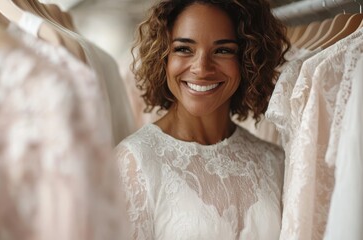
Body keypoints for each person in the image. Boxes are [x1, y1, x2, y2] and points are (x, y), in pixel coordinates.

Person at [115, 0, 290, 239]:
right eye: (184, 49)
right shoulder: (134, 163)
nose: (201, 67)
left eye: (223, 50)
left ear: (248, 60)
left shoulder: (274, 160)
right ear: (163, 57)